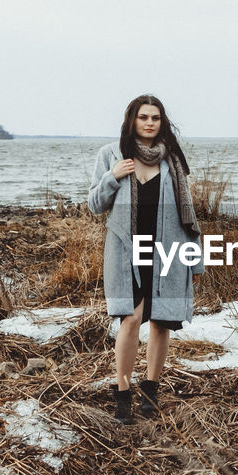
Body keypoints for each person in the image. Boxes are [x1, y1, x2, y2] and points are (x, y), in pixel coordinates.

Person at [87, 95, 204, 424]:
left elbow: (188, 214)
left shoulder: (172, 160)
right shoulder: (111, 154)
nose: (149, 123)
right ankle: (122, 393)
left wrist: (195, 259)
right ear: (132, 121)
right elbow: (95, 205)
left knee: (161, 322)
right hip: (127, 249)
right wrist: (113, 176)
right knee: (131, 320)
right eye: (143, 117)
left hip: (168, 248)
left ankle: (151, 391)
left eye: (155, 117)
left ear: (162, 122)